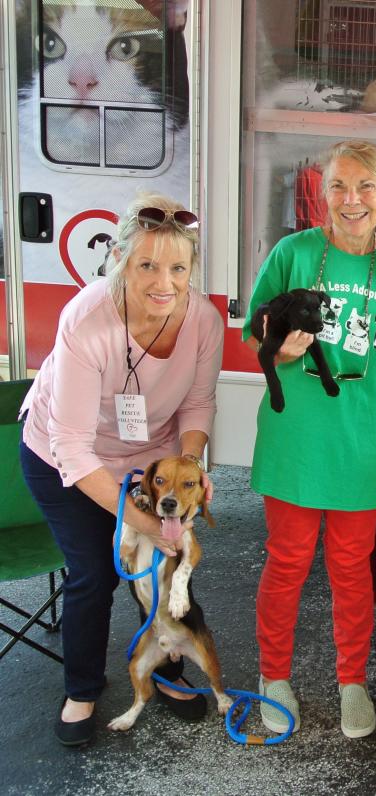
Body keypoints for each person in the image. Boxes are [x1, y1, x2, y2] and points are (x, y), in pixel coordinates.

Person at [19, 193, 223, 747]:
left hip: (149, 457)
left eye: (178, 268)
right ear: (120, 261)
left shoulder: (203, 319)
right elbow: (74, 447)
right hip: (64, 455)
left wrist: (189, 466)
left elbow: (198, 404)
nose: (164, 281)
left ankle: (166, 668)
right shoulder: (87, 320)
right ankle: (81, 688)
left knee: (163, 564)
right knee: (97, 571)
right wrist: (142, 519)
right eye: (148, 265)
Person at [242, 139, 376, 739]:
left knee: (352, 569)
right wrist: (281, 347)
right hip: (296, 440)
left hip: (361, 442)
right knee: (288, 564)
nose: (351, 200)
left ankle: (352, 681)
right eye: (339, 188)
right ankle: (275, 677)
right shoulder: (295, 253)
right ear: (323, 196)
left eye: (364, 188)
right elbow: (254, 333)